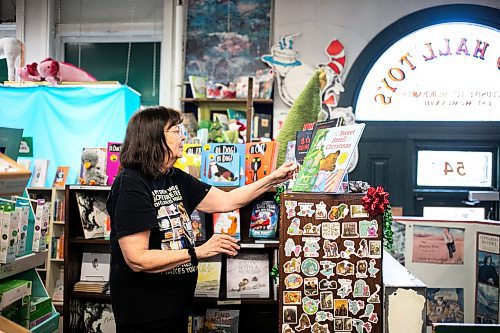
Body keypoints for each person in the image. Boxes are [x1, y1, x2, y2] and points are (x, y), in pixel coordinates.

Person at [106, 106, 296, 332]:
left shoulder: (174, 177)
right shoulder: (132, 184)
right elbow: (137, 259)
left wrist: (273, 179)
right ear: (154, 137)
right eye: (176, 130)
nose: (183, 136)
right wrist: (199, 252)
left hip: (176, 307)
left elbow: (228, 201)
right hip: (145, 312)